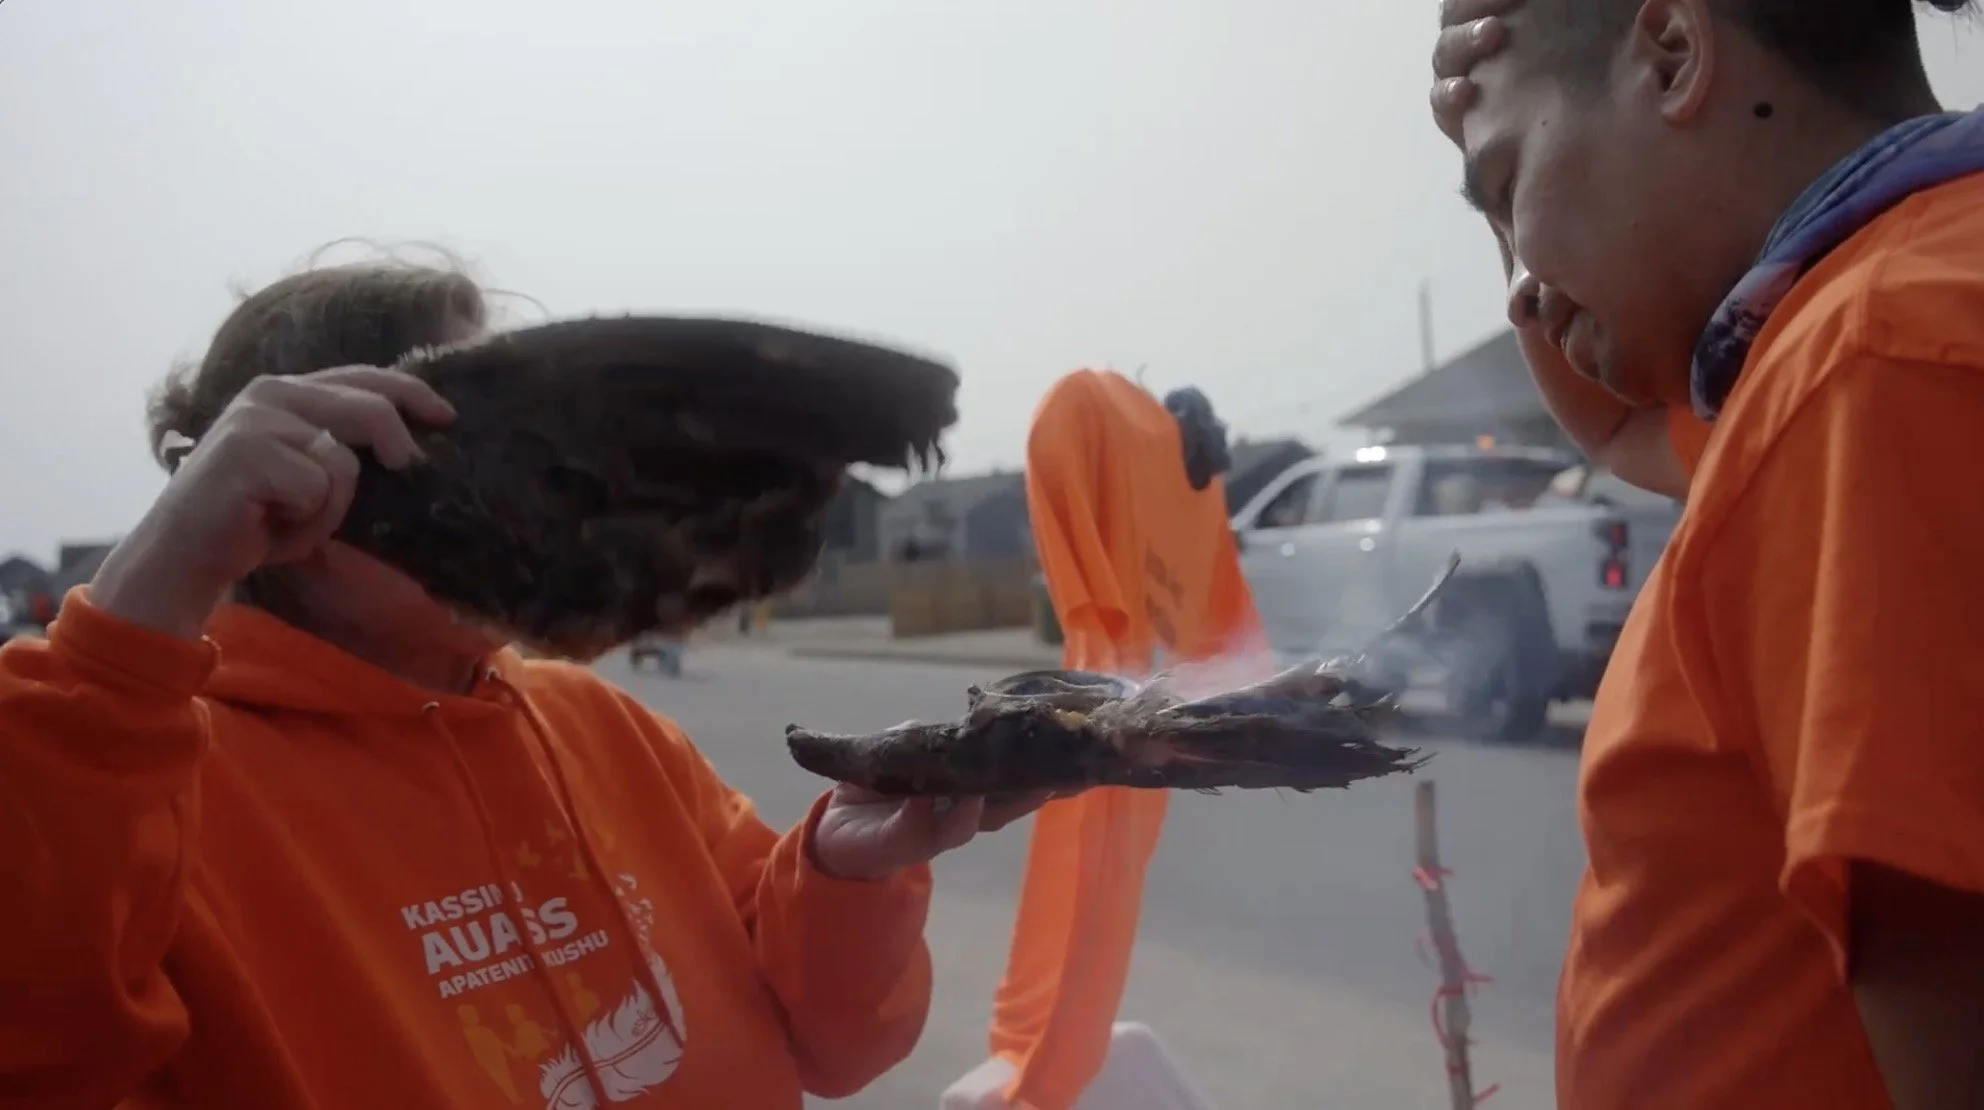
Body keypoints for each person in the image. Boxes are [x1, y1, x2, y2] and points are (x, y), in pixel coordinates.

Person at [0, 257, 1043, 1109]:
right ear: (287, 481)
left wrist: (841, 876)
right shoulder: (123, 778)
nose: (531, 493)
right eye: (441, 438)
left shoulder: (598, 726)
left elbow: (839, 1040)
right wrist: (148, 594)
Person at [1426, 1, 1984, 1107]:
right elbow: (1626, 428)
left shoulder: (1870, 367)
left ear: (1674, 55)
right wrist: (1512, 199)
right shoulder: (1878, 310)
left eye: (1507, 181)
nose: (1521, 289)